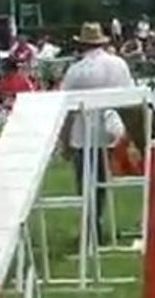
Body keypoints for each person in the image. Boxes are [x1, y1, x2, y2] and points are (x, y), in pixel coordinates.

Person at [58, 22, 136, 239]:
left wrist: (64, 140)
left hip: (84, 135)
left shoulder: (75, 71)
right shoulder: (119, 64)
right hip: (114, 129)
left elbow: (68, 110)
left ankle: (91, 225)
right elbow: (131, 100)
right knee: (103, 179)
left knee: (86, 183)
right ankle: (97, 224)